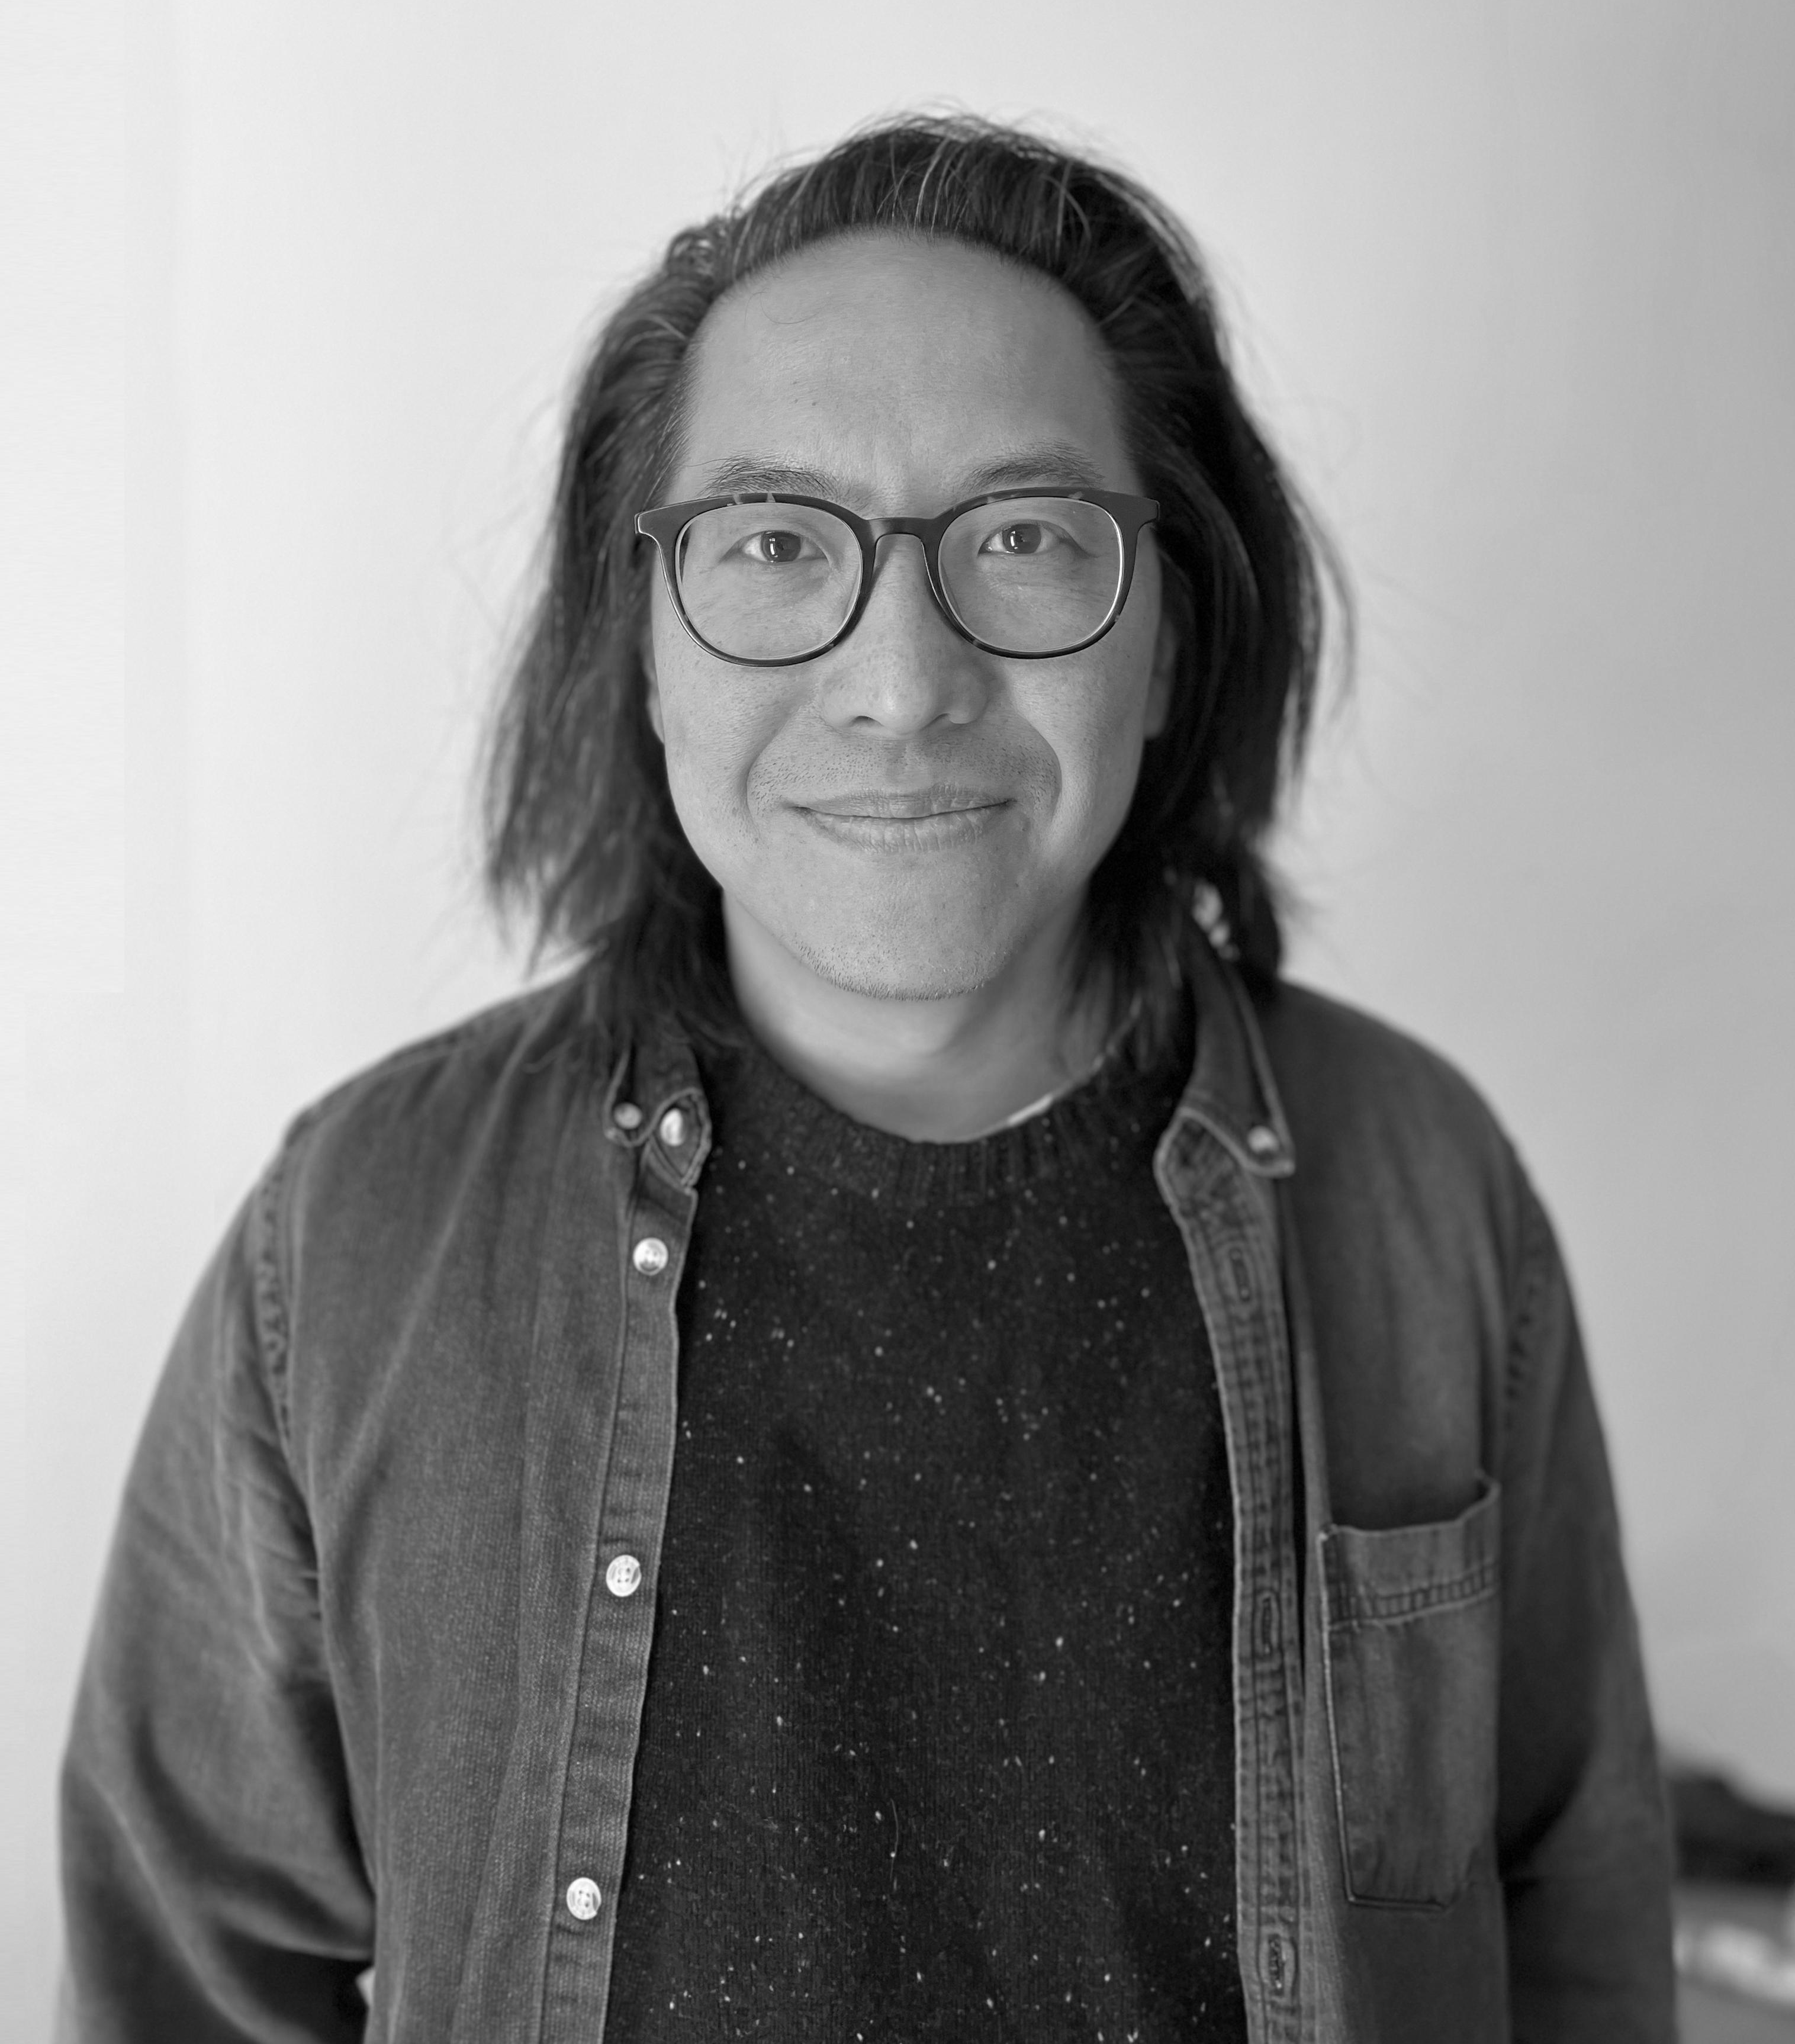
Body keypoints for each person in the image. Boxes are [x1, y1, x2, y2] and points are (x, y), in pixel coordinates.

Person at [58, 115, 1675, 2042]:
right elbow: (182, 1977)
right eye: (770, 542)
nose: (902, 681)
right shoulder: (357, 1232)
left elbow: (1573, 1917)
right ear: (642, 646)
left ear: (1167, 639)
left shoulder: (1421, 1186)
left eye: (1022, 538)